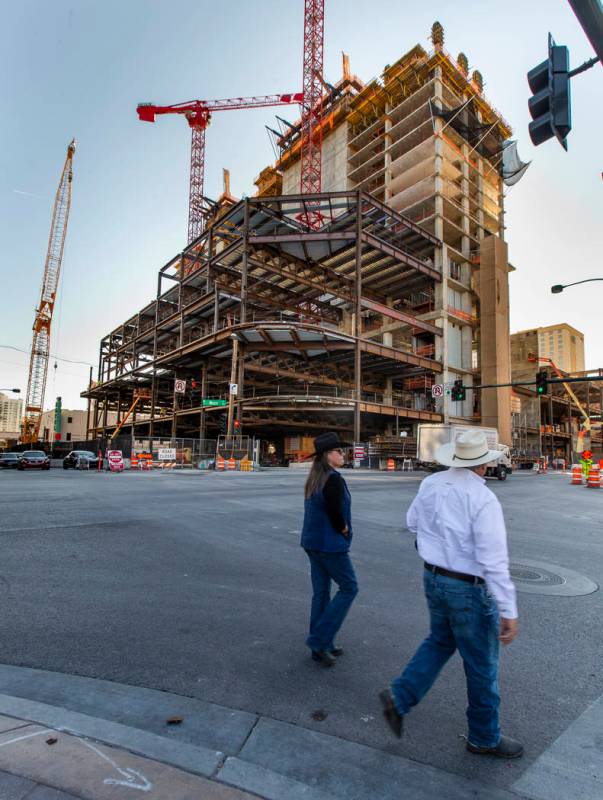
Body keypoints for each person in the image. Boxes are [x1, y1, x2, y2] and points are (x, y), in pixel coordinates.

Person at [379, 430, 522, 758]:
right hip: (468, 589)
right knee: (481, 664)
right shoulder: (482, 499)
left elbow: (412, 522)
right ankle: (484, 737)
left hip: (433, 578)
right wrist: (508, 609)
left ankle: (400, 698)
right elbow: (494, 560)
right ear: (483, 465)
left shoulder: (431, 483)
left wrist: (433, 549)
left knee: (440, 641)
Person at [301, 432, 359, 667]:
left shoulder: (315, 477)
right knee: (349, 587)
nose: (342, 454)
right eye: (338, 451)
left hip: (312, 543)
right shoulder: (333, 479)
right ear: (327, 456)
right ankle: (319, 639)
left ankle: (322, 645)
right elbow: (335, 513)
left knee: (321, 592)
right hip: (330, 545)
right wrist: (344, 529)